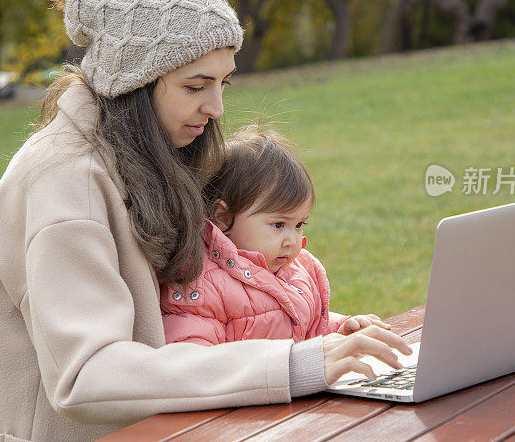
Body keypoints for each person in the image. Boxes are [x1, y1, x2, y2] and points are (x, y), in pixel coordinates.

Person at [0, 0, 411, 442]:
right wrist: (290, 365)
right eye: (196, 86)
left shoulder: (141, 156)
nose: (217, 108)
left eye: (224, 83)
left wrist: (324, 336)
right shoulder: (69, 186)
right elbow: (88, 373)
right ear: (130, 84)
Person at [162, 127, 391, 345]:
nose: (292, 240)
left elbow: (305, 329)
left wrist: (340, 330)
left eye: (299, 224)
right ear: (223, 217)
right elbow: (194, 360)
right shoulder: (199, 286)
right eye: (279, 224)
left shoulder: (293, 272)